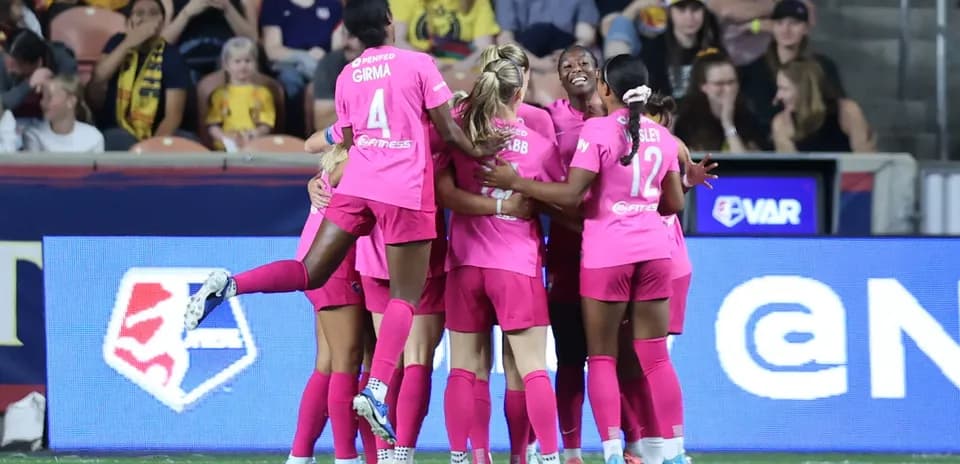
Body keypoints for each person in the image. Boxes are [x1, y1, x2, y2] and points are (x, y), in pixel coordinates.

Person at [183, 0, 496, 446]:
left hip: (358, 183)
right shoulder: (419, 63)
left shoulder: (347, 75)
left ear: (349, 33)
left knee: (311, 270)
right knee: (405, 296)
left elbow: (342, 138)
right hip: (405, 191)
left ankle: (232, 284)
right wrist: (482, 152)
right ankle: (378, 388)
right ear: (390, 22)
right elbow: (448, 132)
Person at [481, 53, 688, 464]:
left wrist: (516, 181)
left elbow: (573, 195)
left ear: (605, 87)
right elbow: (673, 204)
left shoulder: (597, 131)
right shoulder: (662, 137)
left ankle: (611, 450)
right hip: (655, 254)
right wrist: (641, 204)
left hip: (607, 254)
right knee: (656, 358)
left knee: (602, 357)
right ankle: (675, 452)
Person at [443, 58, 562, 464]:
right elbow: (560, 201)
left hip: (464, 263)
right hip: (516, 264)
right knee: (531, 370)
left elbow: (446, 193)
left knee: (464, 368)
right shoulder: (542, 146)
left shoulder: (462, 142)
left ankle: (469, 456)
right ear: (521, 93)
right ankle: (541, 456)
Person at [285, 144, 366, 464]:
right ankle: (346, 457)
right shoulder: (358, 159)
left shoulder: (338, 162)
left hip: (320, 262)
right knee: (346, 364)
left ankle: (300, 455)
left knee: (328, 363)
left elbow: (316, 142)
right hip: (334, 265)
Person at [86, 0, 191, 150]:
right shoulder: (117, 42)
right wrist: (129, 43)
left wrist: (151, 149)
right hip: (117, 129)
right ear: (129, 21)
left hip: (157, 132)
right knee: (115, 139)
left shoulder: (171, 55)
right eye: (139, 13)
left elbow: (172, 117)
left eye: (153, 13)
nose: (146, 18)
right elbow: (99, 77)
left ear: (162, 22)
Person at [771, 58, 874, 153]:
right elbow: (790, 170)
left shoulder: (848, 112)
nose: (778, 96)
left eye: (784, 89)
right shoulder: (781, 123)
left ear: (804, 90)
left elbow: (866, 162)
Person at [674, 48, 767, 152]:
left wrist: (728, 125)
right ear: (703, 86)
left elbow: (747, 165)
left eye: (731, 82)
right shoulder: (688, 121)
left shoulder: (748, 116)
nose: (728, 89)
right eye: (719, 84)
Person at [205, 37, 275, 151]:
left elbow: (266, 124)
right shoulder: (219, 94)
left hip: (254, 144)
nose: (243, 66)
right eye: (237, 61)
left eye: (248, 61)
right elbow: (213, 125)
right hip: (226, 146)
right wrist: (224, 138)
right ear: (226, 65)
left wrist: (255, 134)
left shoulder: (263, 93)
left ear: (255, 64)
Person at [0, 28, 76, 123]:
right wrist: (28, 84)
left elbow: (67, 105)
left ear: (38, 63)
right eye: (7, 61)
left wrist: (50, 86)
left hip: (51, 123)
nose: (9, 69)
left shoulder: (64, 62)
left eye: (15, 65)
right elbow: (2, 104)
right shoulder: (3, 61)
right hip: (11, 122)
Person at [23, 74, 104, 152]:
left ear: (70, 101)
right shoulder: (33, 135)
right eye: (42, 97)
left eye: (49, 97)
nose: (42, 102)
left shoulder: (94, 137)